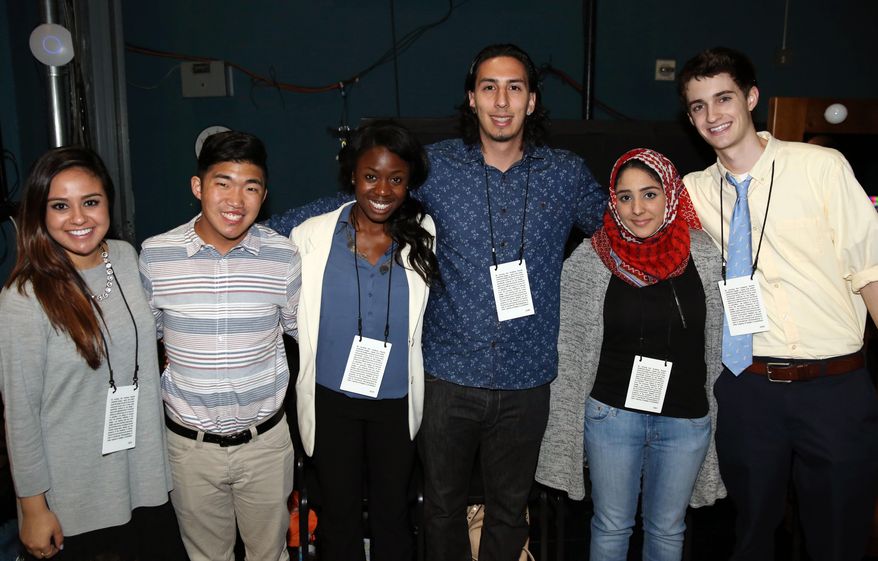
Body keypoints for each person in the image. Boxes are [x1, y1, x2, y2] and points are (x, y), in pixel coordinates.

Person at [269, 43, 606, 561]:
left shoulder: (564, 174)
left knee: (510, 509)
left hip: (528, 377)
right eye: (489, 87)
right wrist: (252, 232)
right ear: (472, 98)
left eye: (514, 88)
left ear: (532, 101)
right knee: (441, 509)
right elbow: (369, 197)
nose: (501, 101)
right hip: (447, 376)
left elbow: (620, 231)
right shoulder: (440, 166)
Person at [678, 46, 878, 561]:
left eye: (723, 98)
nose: (712, 115)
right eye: (698, 106)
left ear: (751, 98)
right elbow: (635, 227)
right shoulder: (693, 192)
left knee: (838, 537)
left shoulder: (821, 167)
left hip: (834, 385)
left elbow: (871, 271)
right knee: (751, 534)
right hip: (748, 389)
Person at [535, 148, 726, 561]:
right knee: (611, 525)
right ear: (612, 201)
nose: (637, 208)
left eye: (649, 194)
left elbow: (719, 341)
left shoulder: (706, 254)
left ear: (671, 194)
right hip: (612, 417)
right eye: (625, 197)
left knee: (668, 530)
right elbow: (567, 349)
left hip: (686, 418)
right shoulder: (591, 258)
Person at [0, 147, 182, 560]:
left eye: (91, 202)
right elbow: (20, 415)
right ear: (39, 213)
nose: (79, 218)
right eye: (60, 206)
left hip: (146, 480)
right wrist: (32, 508)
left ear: (108, 205)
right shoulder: (23, 298)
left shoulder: (126, 257)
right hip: (76, 501)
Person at [139, 131, 301, 561]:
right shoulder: (156, 256)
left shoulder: (283, 257)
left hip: (265, 444)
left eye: (250, 187)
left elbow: (304, 332)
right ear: (198, 187)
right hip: (190, 450)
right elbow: (147, 341)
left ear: (264, 196)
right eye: (222, 182)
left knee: (272, 555)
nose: (236, 199)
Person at [291, 121, 438, 560]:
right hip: (331, 400)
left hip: (396, 402)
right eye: (371, 176)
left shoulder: (425, 233)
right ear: (352, 175)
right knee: (338, 518)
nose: (382, 189)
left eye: (396, 179)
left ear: (409, 183)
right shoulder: (311, 236)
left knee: (394, 518)